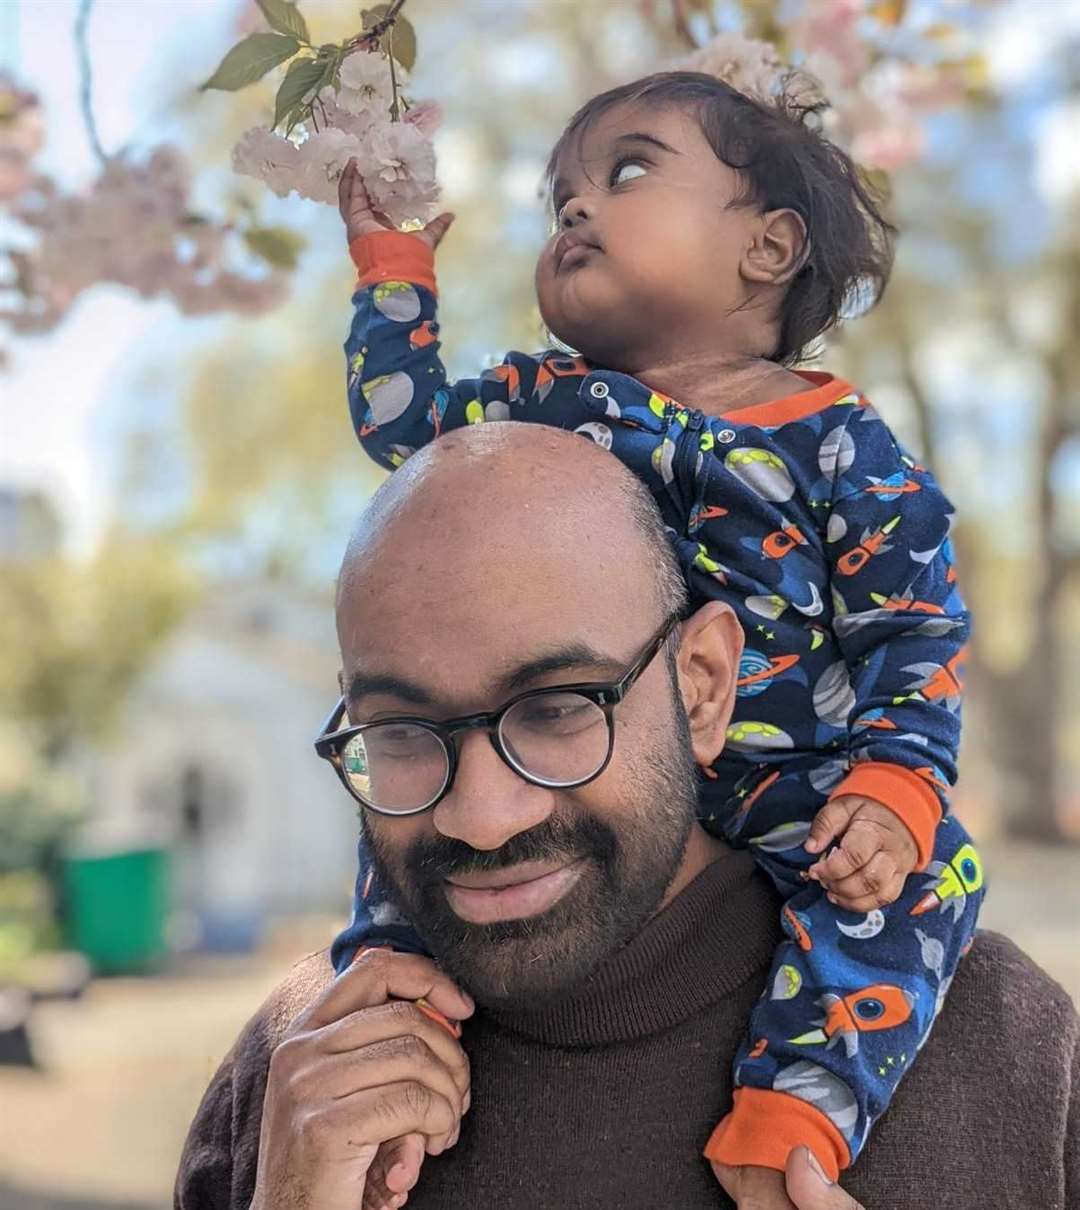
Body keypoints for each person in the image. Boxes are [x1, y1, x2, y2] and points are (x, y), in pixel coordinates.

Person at [332, 69, 982, 1189]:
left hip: (795, 781)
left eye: (625, 172)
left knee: (930, 878)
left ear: (768, 249)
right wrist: (394, 268)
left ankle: (796, 1110)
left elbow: (914, 625)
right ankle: (394, 1001)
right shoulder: (545, 400)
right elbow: (403, 428)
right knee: (422, 778)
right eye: (560, 197)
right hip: (575, 757)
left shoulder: (839, 443)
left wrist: (895, 784)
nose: (576, 207)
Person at [174, 425, 1079, 1210]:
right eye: (401, 729)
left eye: (560, 707)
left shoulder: (1009, 1049)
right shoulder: (300, 1073)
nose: (481, 819)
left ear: (704, 687)